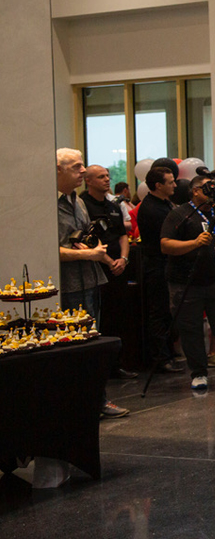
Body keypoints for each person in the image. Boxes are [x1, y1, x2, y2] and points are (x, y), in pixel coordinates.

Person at [161, 174, 215, 391]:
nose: (213, 192)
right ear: (195, 191)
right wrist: (193, 243)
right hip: (186, 282)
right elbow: (165, 244)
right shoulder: (180, 213)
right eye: (207, 188)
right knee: (190, 329)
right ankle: (198, 373)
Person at [56, 149, 128, 418]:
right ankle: (78, 405)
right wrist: (89, 253)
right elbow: (47, 251)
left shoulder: (78, 202)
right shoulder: (47, 205)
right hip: (68, 285)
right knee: (71, 349)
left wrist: (100, 254)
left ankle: (97, 401)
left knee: (91, 345)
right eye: (76, 167)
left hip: (90, 280)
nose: (83, 171)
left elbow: (84, 240)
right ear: (58, 170)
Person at [79, 165, 136, 380]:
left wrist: (123, 258)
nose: (106, 180)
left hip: (118, 268)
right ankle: (100, 367)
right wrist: (110, 261)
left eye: (107, 176)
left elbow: (122, 235)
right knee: (99, 318)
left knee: (118, 316)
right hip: (97, 268)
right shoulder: (83, 205)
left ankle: (117, 364)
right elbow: (88, 240)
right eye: (101, 177)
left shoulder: (113, 205)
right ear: (89, 181)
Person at [137, 166, 185, 374]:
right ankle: (160, 357)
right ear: (158, 185)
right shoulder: (151, 208)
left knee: (168, 312)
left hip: (165, 264)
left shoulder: (164, 203)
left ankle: (168, 352)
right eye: (171, 182)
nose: (175, 184)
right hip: (156, 265)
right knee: (159, 311)